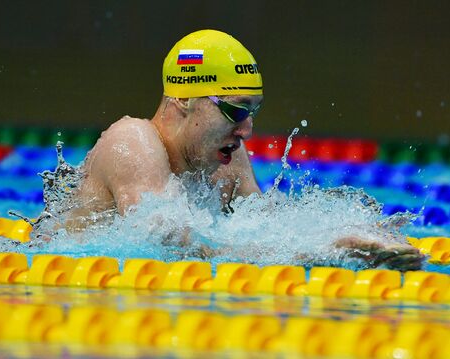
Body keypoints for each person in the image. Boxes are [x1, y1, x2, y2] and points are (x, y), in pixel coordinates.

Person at [56, 29, 423, 270]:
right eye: (235, 110)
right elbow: (169, 245)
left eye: (253, 112)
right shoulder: (131, 141)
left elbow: (267, 227)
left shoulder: (223, 160)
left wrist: (358, 234)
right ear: (183, 99)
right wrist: (319, 254)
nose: (247, 130)